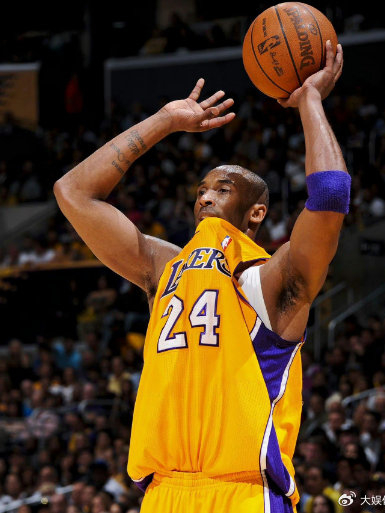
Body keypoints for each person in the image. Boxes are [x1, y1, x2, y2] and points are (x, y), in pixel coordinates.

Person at [54, 41, 347, 513]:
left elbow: (329, 198)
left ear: (256, 212)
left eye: (222, 189)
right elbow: (73, 192)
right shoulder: (165, 268)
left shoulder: (272, 277)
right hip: (162, 493)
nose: (205, 198)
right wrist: (165, 120)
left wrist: (309, 100)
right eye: (200, 191)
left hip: (242, 492)